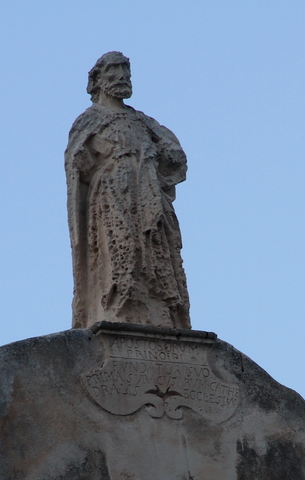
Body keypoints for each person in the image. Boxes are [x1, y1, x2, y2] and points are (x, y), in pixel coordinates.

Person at [66, 51, 191, 329]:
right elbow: (78, 167)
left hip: (147, 194)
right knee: (120, 250)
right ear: (97, 79)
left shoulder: (143, 121)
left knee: (155, 252)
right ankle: (120, 306)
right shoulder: (90, 119)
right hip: (113, 194)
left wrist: (154, 153)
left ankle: (161, 311)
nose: (122, 76)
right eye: (114, 70)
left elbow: (176, 155)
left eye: (126, 70)